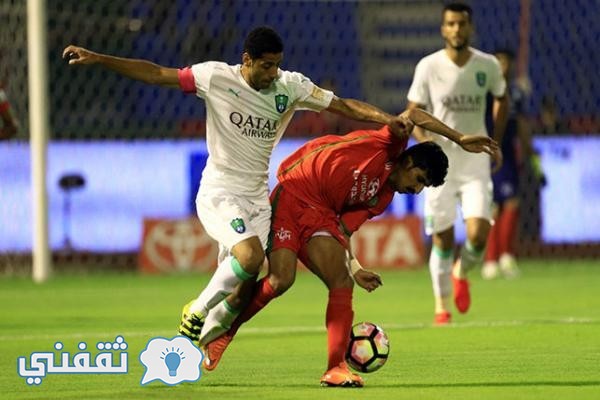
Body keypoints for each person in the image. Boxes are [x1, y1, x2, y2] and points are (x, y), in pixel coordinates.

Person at [63, 26, 413, 345]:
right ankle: (195, 313)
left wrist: (389, 119)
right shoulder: (214, 77)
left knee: (244, 287)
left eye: (277, 65)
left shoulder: (289, 86)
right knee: (250, 256)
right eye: (266, 66)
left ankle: (197, 346)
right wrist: (99, 59)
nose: (272, 73)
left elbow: (343, 104)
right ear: (246, 61)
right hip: (220, 190)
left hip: (257, 198)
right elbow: (156, 74)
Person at [198, 107, 498, 387]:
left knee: (341, 280)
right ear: (408, 162)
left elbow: (340, 230)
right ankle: (226, 331)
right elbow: (415, 114)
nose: (416, 190)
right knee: (281, 279)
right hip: (294, 192)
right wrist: (459, 138)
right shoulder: (389, 146)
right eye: (418, 180)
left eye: (422, 187)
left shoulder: (380, 199)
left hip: (322, 215)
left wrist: (355, 268)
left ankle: (335, 366)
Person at [406, 2, 507, 325]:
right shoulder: (428, 66)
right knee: (443, 238)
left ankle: (462, 272)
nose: (456, 29)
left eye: (462, 23)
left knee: (478, 234)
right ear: (442, 28)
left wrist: (496, 141)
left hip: (475, 161)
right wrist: (426, 141)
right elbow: (412, 112)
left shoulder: (487, 65)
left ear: (470, 27)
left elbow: (501, 98)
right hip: (440, 165)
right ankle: (441, 306)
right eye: (450, 24)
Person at [482, 49, 546, 280]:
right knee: (492, 206)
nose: (502, 66)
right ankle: (490, 259)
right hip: (485, 151)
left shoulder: (515, 93)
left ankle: (506, 256)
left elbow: (521, 123)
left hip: (508, 154)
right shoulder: (484, 91)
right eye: (498, 62)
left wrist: (530, 154)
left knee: (510, 202)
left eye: (505, 62)